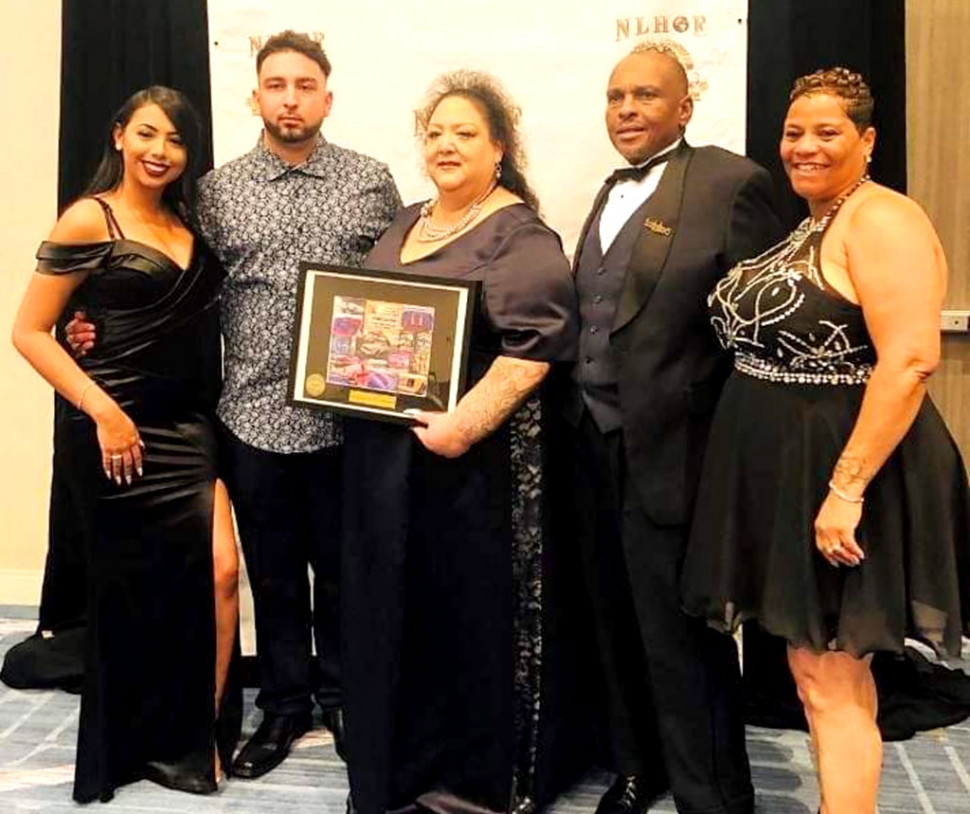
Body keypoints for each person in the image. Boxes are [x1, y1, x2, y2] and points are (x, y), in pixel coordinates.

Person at [68, 30, 402, 778]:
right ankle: (283, 705)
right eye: (275, 84)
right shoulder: (217, 191)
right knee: (273, 573)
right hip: (248, 416)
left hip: (349, 419)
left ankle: (345, 697)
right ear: (256, 96)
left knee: (345, 570)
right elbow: (175, 288)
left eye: (304, 84)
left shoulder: (371, 181)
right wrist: (93, 327)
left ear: (327, 96)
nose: (290, 97)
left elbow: (401, 294)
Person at [681, 67, 970, 814]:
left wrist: (845, 489)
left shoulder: (883, 219)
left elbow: (910, 360)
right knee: (818, 674)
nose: (804, 147)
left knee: (830, 675)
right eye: (793, 133)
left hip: (847, 472)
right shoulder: (819, 219)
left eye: (827, 132)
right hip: (792, 469)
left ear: (868, 140)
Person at [340, 70, 585, 814]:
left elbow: (535, 350)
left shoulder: (519, 233)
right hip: (391, 467)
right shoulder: (407, 221)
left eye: (465, 133)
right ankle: (403, 763)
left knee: (465, 617)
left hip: (472, 472)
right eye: (436, 132)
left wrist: (461, 427)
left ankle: (468, 783)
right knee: (399, 612)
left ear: (499, 147)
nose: (447, 144)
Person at [564, 41, 783, 814]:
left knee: (683, 636)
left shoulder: (732, 182)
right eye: (616, 96)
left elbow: (761, 334)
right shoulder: (605, 190)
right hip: (593, 446)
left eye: (646, 96)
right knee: (614, 623)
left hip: (679, 456)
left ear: (684, 107)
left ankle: (711, 794)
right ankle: (637, 767)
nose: (627, 109)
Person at [11, 86, 240, 802]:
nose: (159, 151)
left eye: (174, 140)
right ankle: (137, 742)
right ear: (118, 136)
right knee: (130, 591)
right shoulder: (90, 218)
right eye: (146, 134)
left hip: (187, 424)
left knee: (220, 574)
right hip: (112, 428)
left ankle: (196, 735)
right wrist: (103, 410)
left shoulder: (185, 222)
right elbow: (27, 332)